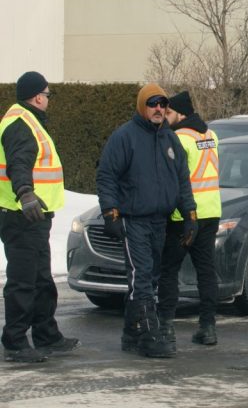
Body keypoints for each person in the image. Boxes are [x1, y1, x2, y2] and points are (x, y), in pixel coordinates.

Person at [96, 83, 197, 358]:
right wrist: (110, 213)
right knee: (141, 277)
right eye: (153, 104)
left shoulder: (170, 138)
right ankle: (150, 336)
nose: (159, 109)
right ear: (143, 106)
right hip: (134, 219)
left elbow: (182, 180)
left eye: (163, 104)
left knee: (150, 277)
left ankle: (131, 334)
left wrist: (190, 215)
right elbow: (107, 176)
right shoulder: (124, 137)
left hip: (159, 221)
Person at [0, 71, 80, 363]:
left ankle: (47, 334)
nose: (48, 99)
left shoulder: (28, 121)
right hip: (22, 216)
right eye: (47, 94)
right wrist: (25, 193)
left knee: (41, 278)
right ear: (37, 96)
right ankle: (15, 342)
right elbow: (18, 162)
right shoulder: (21, 124)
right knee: (23, 281)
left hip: (34, 217)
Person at [157, 91, 221, 348]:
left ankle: (165, 326)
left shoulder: (177, 138)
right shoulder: (211, 135)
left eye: (169, 113)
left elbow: (171, 178)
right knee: (206, 271)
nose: (166, 117)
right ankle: (208, 328)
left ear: (180, 113)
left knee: (169, 270)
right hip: (211, 211)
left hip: (184, 214)